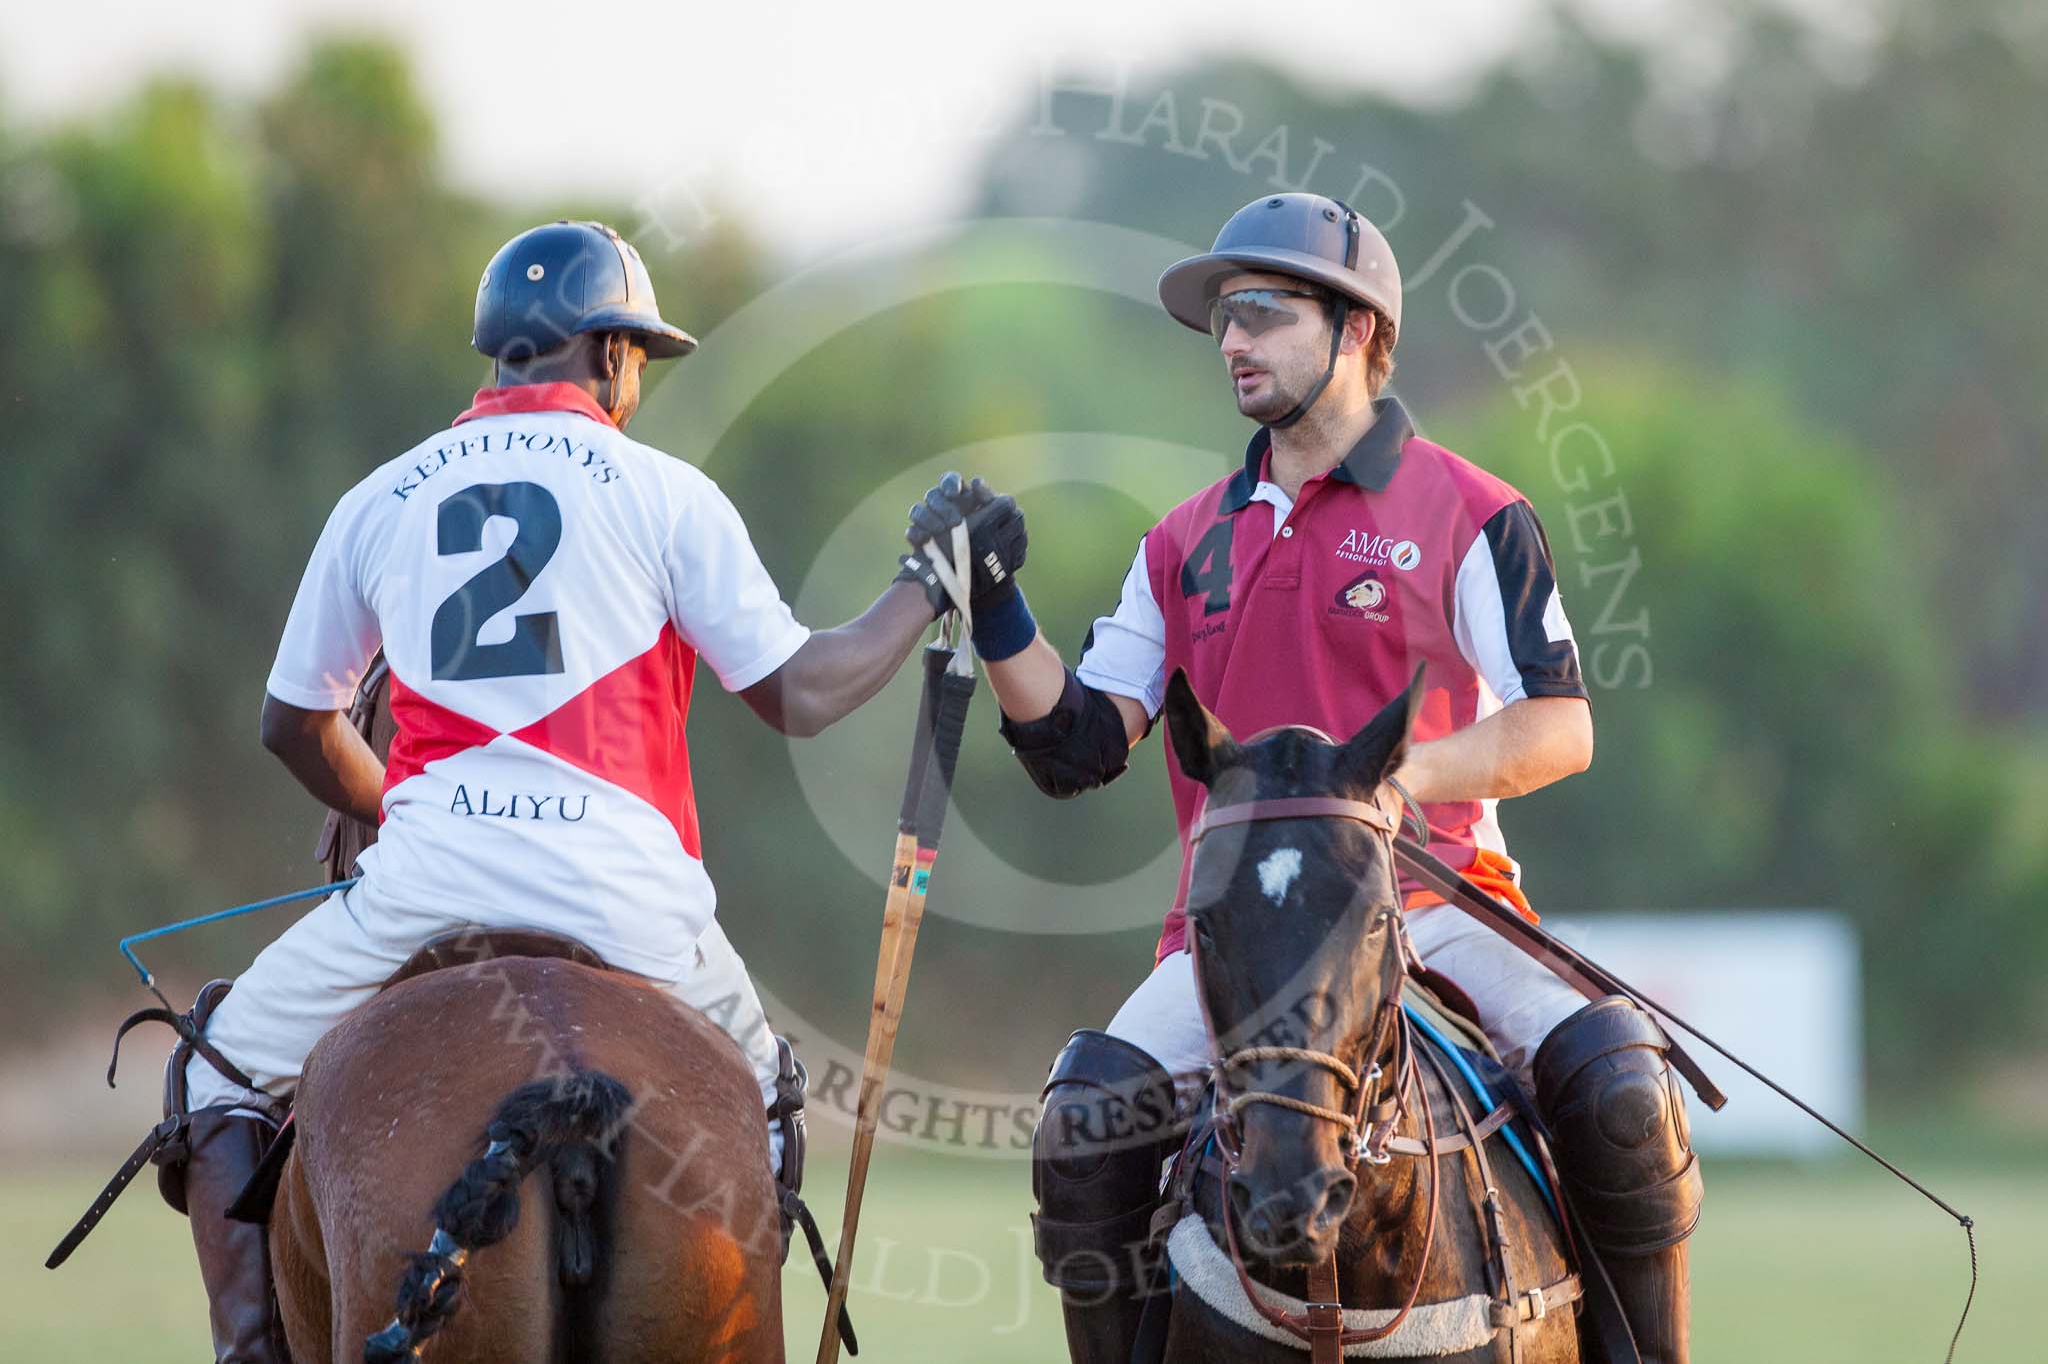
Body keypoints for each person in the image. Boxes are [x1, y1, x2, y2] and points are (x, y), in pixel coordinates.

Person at [159, 219, 1020, 1363]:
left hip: (424, 888)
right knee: (763, 1108)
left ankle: (253, 1350)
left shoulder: (381, 497)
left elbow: (292, 722)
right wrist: (928, 581)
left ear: (500, 354)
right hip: (638, 906)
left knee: (211, 1069)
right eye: (637, 363)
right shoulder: (665, 492)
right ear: (611, 355)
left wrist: (397, 808)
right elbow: (802, 693)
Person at [908, 194, 1702, 1364]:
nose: (1232, 342)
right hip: (1232, 941)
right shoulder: (1182, 541)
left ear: (1360, 332)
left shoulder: (1469, 511)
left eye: (1264, 316)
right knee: (1083, 1123)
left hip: (1432, 907)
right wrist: (993, 608)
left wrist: (1397, 779)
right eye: (1224, 321)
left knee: (1621, 1083)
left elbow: (1559, 725)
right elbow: (1077, 744)